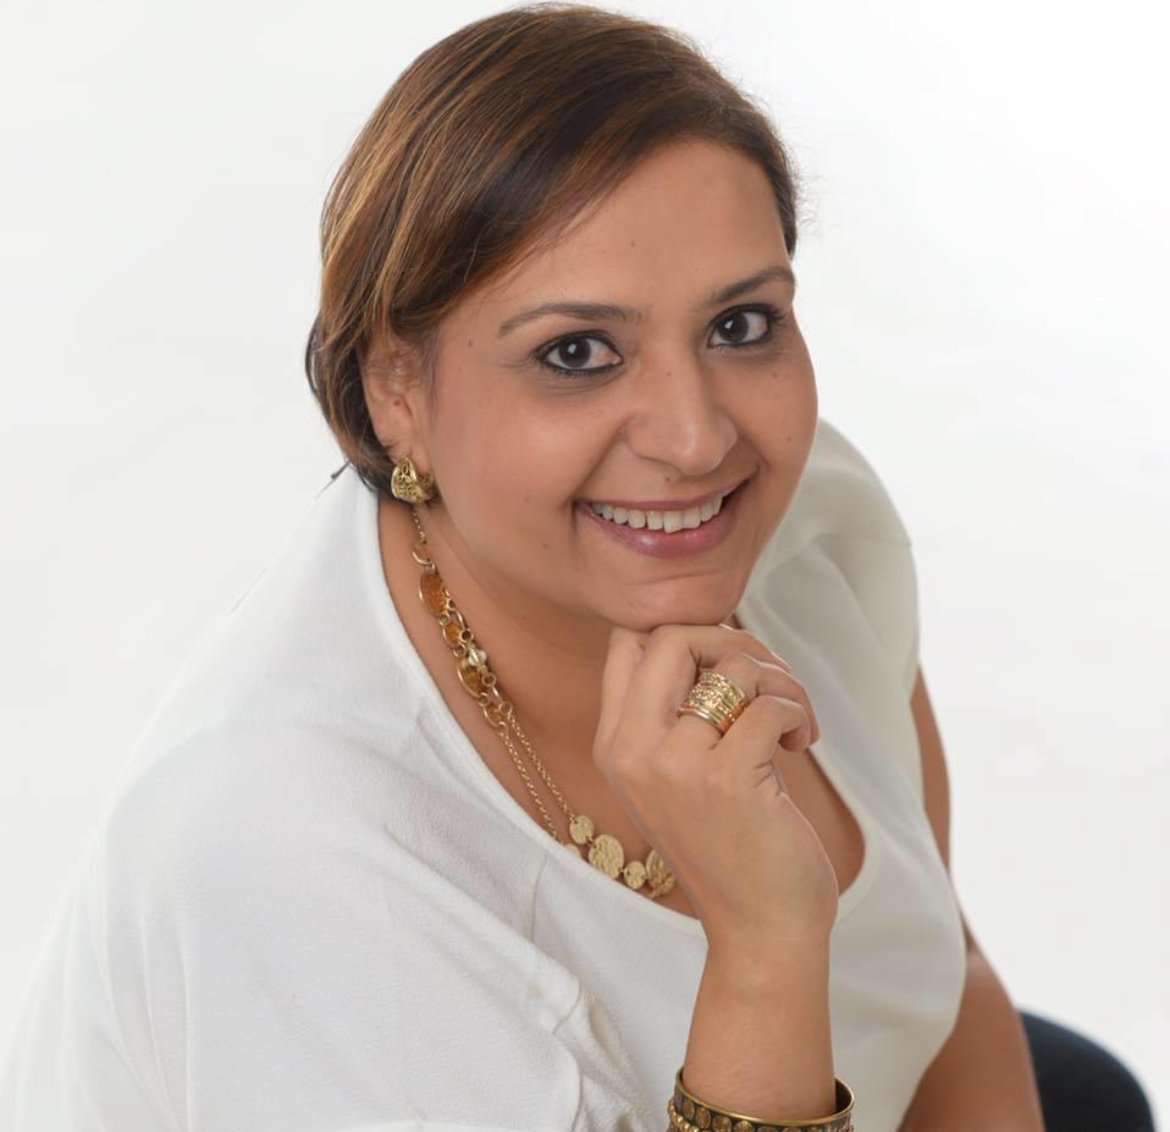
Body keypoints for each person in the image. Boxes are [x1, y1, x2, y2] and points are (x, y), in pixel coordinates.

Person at [0, 5, 1155, 1131]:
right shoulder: (289, 866)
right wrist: (762, 951)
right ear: (397, 387)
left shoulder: (803, 523)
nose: (696, 438)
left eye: (741, 325)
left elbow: (944, 978)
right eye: (576, 353)